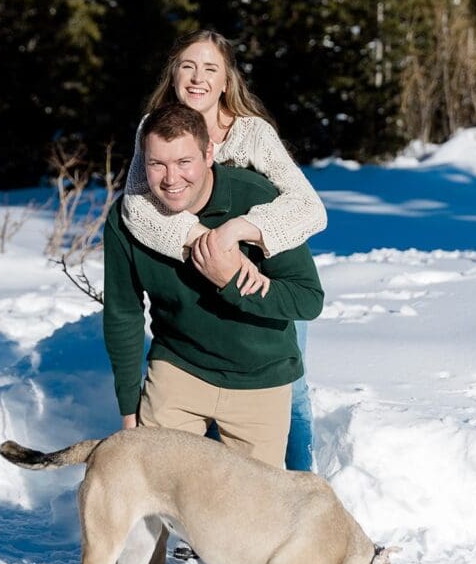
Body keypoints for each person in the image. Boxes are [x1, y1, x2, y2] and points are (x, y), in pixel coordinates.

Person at [104, 103, 325, 564]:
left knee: (257, 523)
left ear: (209, 153)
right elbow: (121, 313)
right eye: (157, 164)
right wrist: (127, 405)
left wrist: (232, 281)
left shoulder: (257, 202)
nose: (170, 178)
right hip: (179, 369)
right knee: (146, 488)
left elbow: (309, 299)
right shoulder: (131, 220)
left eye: (184, 162)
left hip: (260, 375)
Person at [122, 30, 327, 471]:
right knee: (205, 396)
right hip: (197, 289)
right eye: (188, 66)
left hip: (262, 281)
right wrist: (202, 241)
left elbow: (309, 208)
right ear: (173, 73)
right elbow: (137, 206)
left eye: (210, 68)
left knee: (291, 390)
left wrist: (236, 232)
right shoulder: (154, 127)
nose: (197, 78)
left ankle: (301, 489)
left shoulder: (252, 135)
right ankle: (209, 512)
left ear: (226, 80)